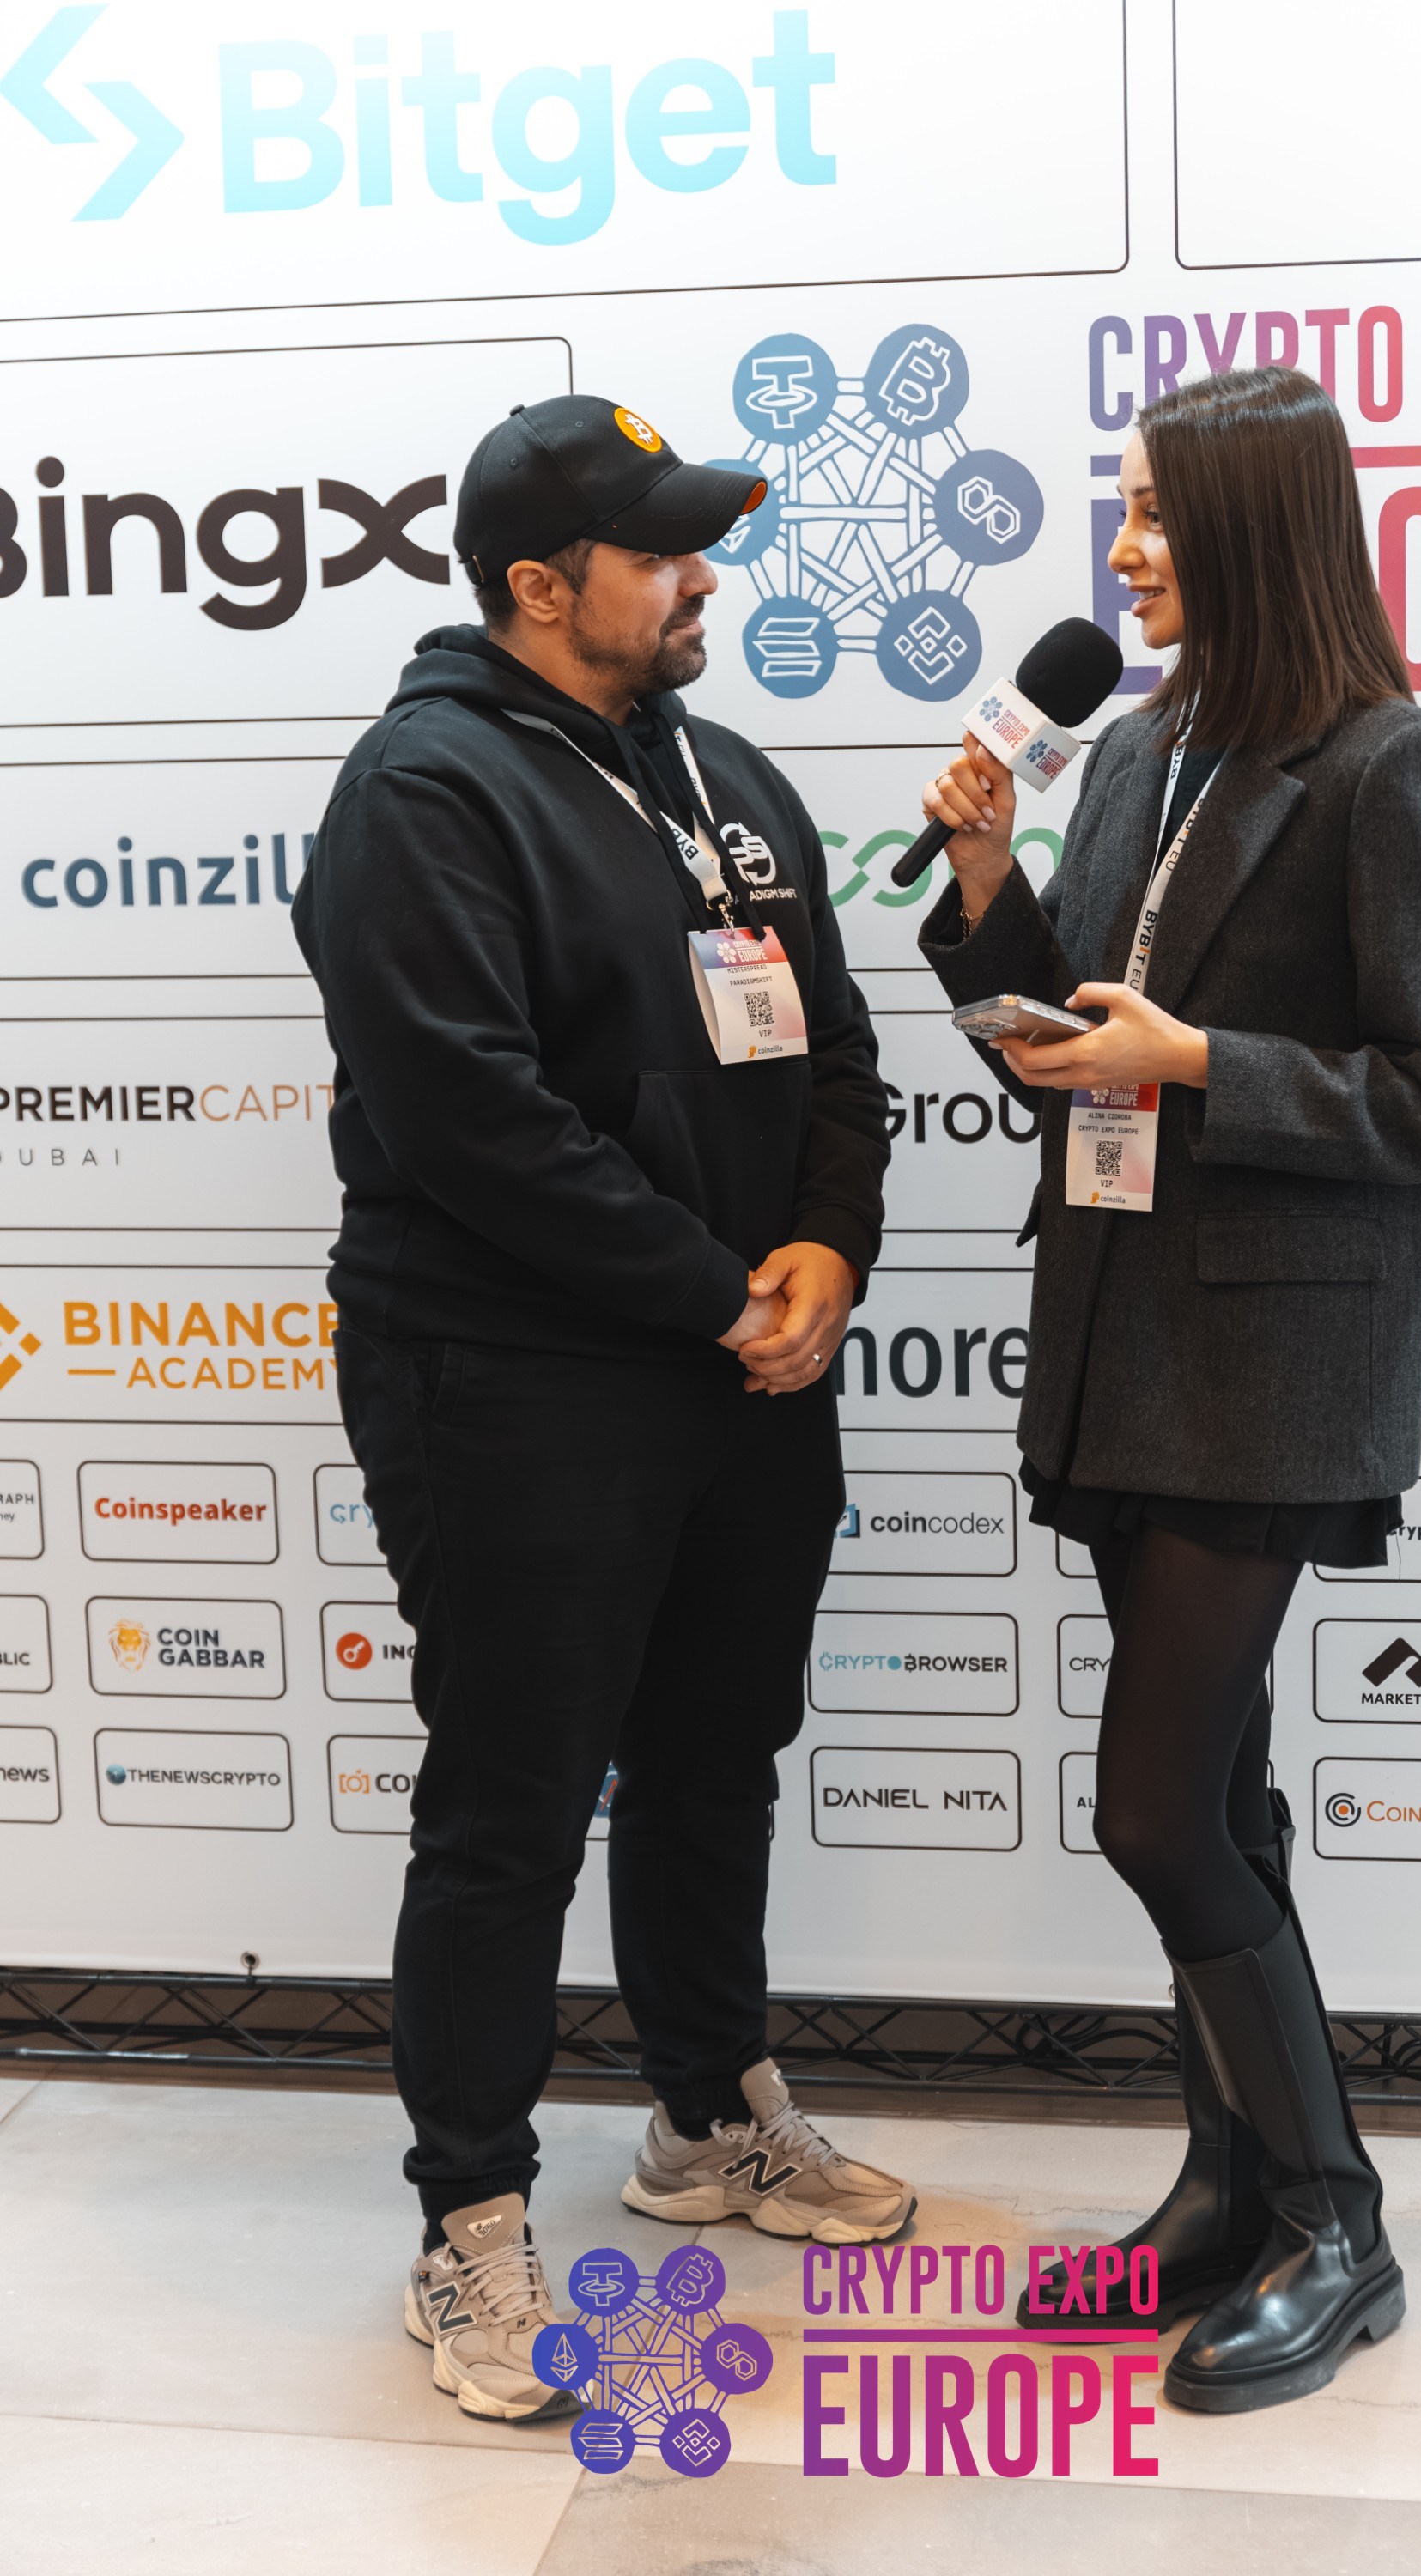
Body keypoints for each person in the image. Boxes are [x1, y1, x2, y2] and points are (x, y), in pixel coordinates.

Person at [294, 393, 913, 2425]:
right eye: (658, 552)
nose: (699, 576)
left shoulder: (726, 777)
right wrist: (717, 1292)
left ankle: (705, 2114)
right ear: (538, 587)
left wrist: (822, 1252)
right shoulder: (425, 790)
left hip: (744, 1368)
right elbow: (468, 1120)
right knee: (512, 1802)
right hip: (512, 1376)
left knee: (716, 1757)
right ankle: (467, 2216)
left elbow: (837, 1051)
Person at [918, 367, 1421, 2414]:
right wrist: (984, 887)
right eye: (1124, 508)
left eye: (1157, 514)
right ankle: (1225, 2189)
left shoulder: (1385, 764)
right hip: (1117, 1339)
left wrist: (1194, 1066)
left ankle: (1338, 2225)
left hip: (1267, 1366)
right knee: (1219, 1802)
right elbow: (1065, 1043)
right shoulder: (1136, 750)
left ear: (1255, 527)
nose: (1125, 550)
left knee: (1156, 1812)